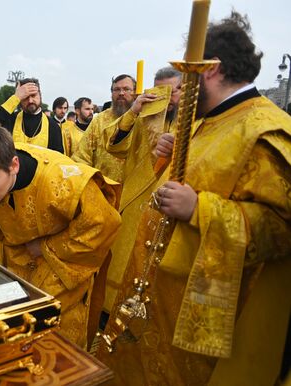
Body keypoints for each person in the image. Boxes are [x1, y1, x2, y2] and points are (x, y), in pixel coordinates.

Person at [102, 12, 291, 385]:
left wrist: (198, 209)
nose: (182, 88)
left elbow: (282, 232)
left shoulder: (265, 130)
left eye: (187, 75)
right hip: (160, 299)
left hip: (205, 315)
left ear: (211, 70)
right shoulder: (208, 121)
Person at [0, 123, 122, 349]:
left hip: (60, 274)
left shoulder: (63, 181)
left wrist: (47, 246)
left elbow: (104, 224)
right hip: (14, 271)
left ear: (13, 165)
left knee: (54, 345)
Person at [102, 67, 181, 314]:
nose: (166, 97)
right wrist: (133, 111)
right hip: (132, 207)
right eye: (160, 91)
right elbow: (113, 145)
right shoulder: (144, 117)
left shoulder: (194, 123)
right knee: (117, 272)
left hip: (165, 212)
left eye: (173, 91)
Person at [72, 74, 142, 182]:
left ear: (136, 93)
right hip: (103, 190)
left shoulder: (144, 119)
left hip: (135, 190)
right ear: (111, 94)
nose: (121, 93)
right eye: (116, 89)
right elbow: (82, 157)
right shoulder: (99, 120)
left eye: (126, 89)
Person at [0, 78, 65, 154]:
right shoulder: (11, 119)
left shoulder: (53, 126)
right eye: (25, 97)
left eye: (33, 95)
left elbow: (58, 159)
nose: (30, 101)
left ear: (40, 95)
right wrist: (16, 97)